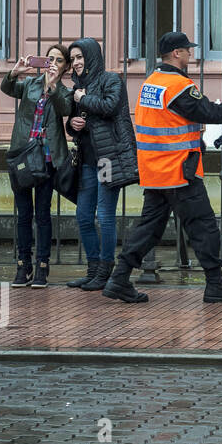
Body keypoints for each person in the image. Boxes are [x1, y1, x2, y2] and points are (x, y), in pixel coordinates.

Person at [102, 31, 222, 304]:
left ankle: (119, 279)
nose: (191, 54)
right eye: (188, 50)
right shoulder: (178, 86)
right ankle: (216, 284)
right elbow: (216, 114)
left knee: (149, 229)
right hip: (178, 171)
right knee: (204, 227)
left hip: (155, 171)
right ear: (177, 53)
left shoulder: (151, 83)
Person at [65, 37, 139, 291]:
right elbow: (80, 120)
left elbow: (109, 107)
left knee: (105, 217)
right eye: (72, 58)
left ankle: (107, 271)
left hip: (108, 159)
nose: (75, 63)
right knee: (83, 216)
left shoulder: (111, 80)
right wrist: (71, 125)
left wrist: (82, 99)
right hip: (87, 159)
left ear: (91, 56)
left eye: (79, 57)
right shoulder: (79, 86)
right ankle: (93, 269)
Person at [1, 44, 72, 288]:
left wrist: (53, 86)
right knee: (23, 215)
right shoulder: (29, 84)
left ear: (65, 67)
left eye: (59, 60)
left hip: (47, 160)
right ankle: (23, 266)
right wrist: (15, 72)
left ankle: (42, 266)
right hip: (22, 157)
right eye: (50, 58)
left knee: (42, 215)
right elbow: (7, 88)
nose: (53, 63)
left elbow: (66, 109)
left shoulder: (63, 90)